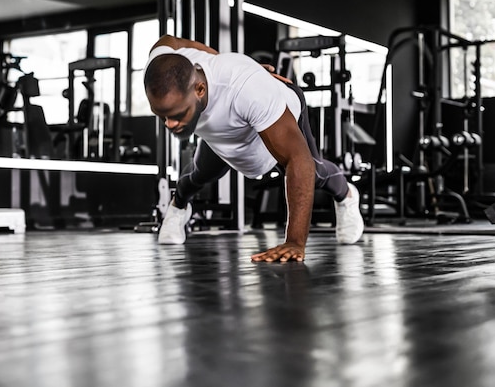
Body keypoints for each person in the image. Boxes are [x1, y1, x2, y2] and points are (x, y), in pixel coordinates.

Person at [144, 34, 364, 262]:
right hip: (226, 130)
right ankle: (178, 207)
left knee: (314, 172)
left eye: (178, 115)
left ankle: (347, 196)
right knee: (200, 173)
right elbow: (170, 39)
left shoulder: (246, 88)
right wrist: (229, 62)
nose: (170, 125)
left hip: (274, 116)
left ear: (200, 89)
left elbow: (298, 159)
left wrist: (294, 242)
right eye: (162, 116)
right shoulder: (159, 64)